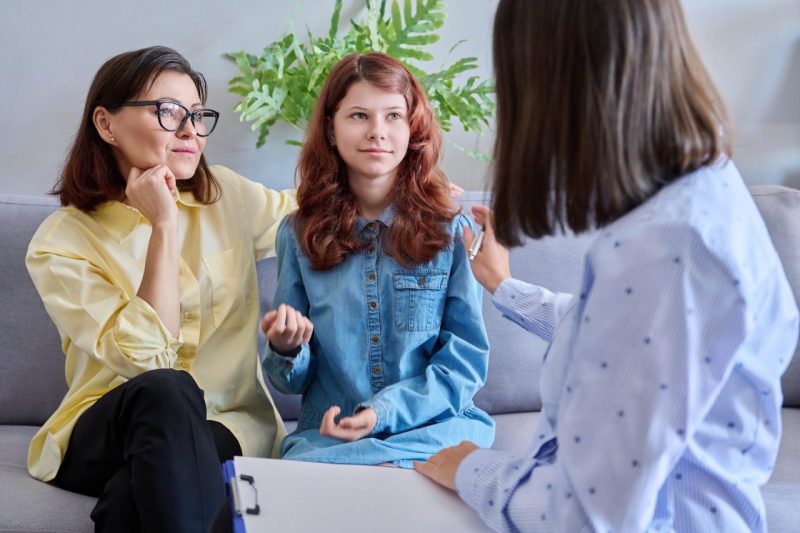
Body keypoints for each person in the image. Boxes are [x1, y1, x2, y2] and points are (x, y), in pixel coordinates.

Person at [414, 1, 799, 532]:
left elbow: (583, 517)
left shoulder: (669, 247)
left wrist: (472, 470)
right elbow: (625, 339)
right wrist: (505, 289)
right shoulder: (702, 189)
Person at [25, 46, 296, 532]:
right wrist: (164, 226)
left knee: (132, 498)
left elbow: (316, 212)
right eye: (169, 112)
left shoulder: (230, 196)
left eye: (197, 114)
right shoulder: (62, 241)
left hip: (224, 427)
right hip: (104, 430)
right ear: (106, 125)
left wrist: (411, 186)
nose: (191, 130)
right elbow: (147, 362)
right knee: (168, 388)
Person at [260, 52, 495, 468]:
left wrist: (382, 413)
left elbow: (464, 365)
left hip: (434, 432)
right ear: (331, 129)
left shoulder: (451, 232)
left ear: (412, 128)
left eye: (393, 117)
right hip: (331, 441)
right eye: (358, 116)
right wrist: (285, 348)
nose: (377, 132)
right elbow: (289, 382)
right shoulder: (298, 235)